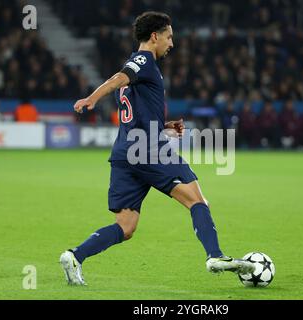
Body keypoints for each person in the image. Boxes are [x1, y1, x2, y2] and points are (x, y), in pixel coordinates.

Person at [60, 11, 254, 286]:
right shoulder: (143, 62)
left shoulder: (138, 70)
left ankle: (74, 256)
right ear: (155, 36)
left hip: (125, 153)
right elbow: (118, 77)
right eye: (169, 36)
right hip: (148, 150)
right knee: (197, 200)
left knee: (125, 227)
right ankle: (215, 256)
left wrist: (164, 126)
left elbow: (136, 115)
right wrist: (91, 98)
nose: (171, 43)